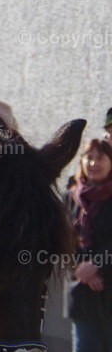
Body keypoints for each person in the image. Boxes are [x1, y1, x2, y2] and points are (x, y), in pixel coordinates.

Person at [66, 138, 112, 350]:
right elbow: (59, 238)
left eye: (100, 158)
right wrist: (79, 267)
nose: (93, 163)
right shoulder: (70, 197)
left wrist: (96, 264)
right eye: (89, 158)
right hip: (83, 289)